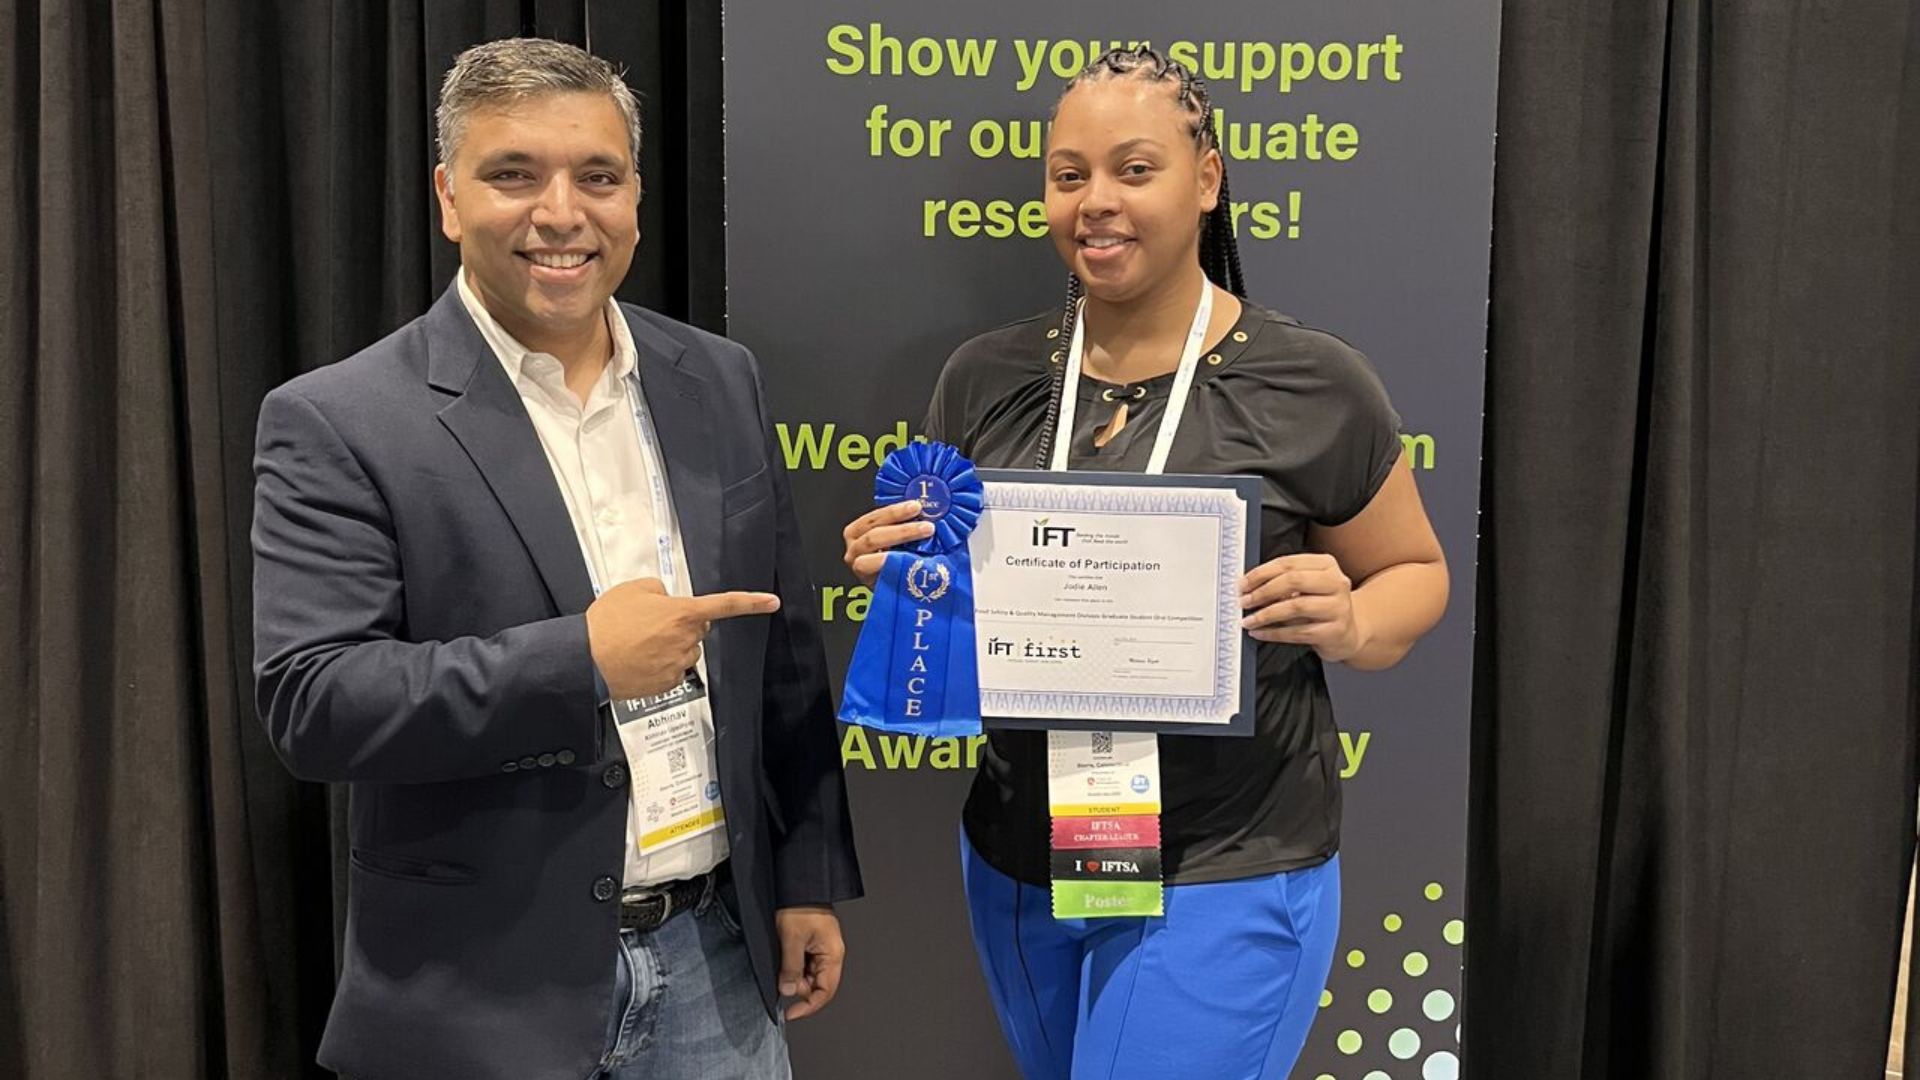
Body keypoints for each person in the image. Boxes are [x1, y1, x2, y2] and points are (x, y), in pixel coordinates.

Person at [252, 38, 859, 1080]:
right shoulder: (341, 419)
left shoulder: (716, 378)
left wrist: (803, 874)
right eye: (513, 175)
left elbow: (785, 654)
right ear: (449, 198)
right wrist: (580, 661)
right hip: (481, 994)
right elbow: (316, 701)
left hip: (717, 962)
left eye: (598, 176)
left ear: (633, 196)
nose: (562, 212)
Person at [840, 47, 1448, 1080]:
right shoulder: (983, 376)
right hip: (1021, 860)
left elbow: (1415, 574)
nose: (1096, 203)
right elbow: (953, 588)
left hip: (1227, 861)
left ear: (1206, 179)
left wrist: (1349, 620)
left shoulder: (1314, 382)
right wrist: (906, 573)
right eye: (1069, 175)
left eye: (1133, 169)